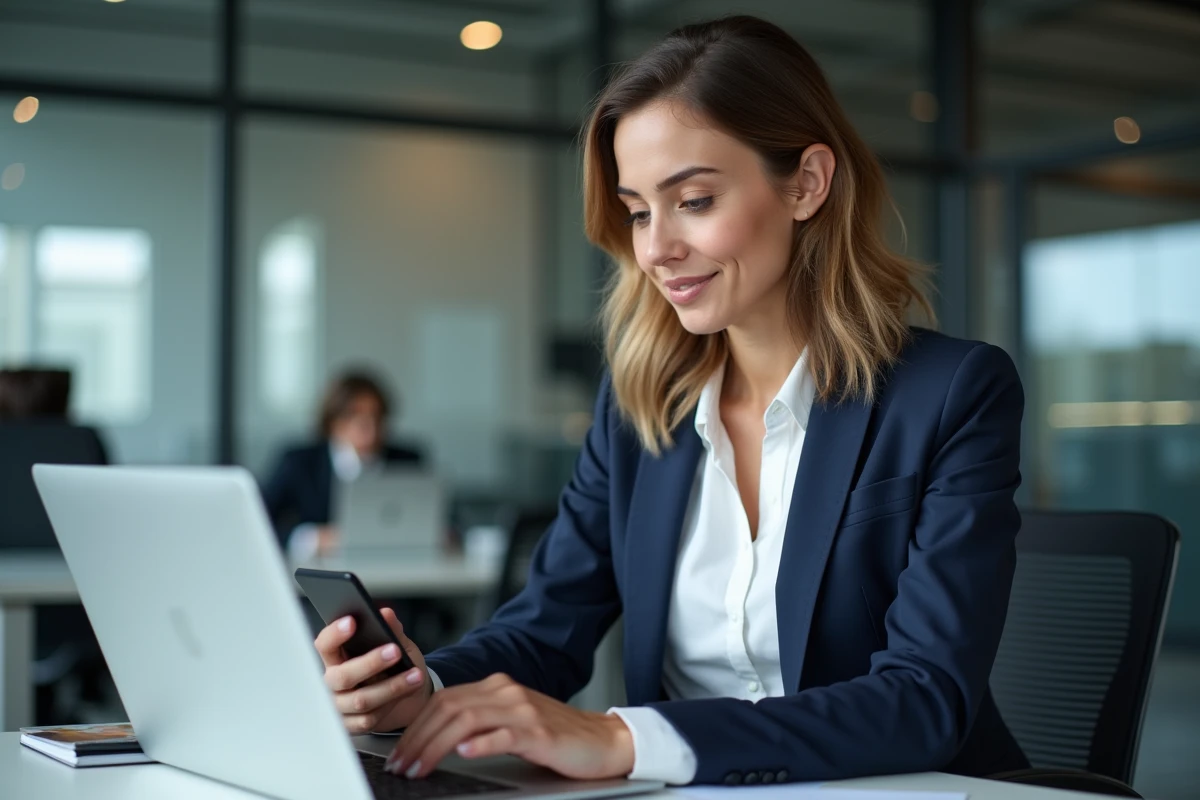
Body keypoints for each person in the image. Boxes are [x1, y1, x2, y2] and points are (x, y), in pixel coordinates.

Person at [313, 16, 1029, 787]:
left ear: (807, 184)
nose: (655, 248)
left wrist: (626, 740)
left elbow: (924, 700)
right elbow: (542, 631)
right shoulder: (638, 414)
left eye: (693, 200)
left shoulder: (951, 395)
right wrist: (422, 691)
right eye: (639, 210)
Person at [261, 368, 423, 559]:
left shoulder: (407, 462)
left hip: (398, 568)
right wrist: (310, 539)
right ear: (333, 421)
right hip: (322, 573)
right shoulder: (300, 463)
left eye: (376, 418)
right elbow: (258, 521)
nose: (369, 429)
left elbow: (437, 521)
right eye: (356, 418)